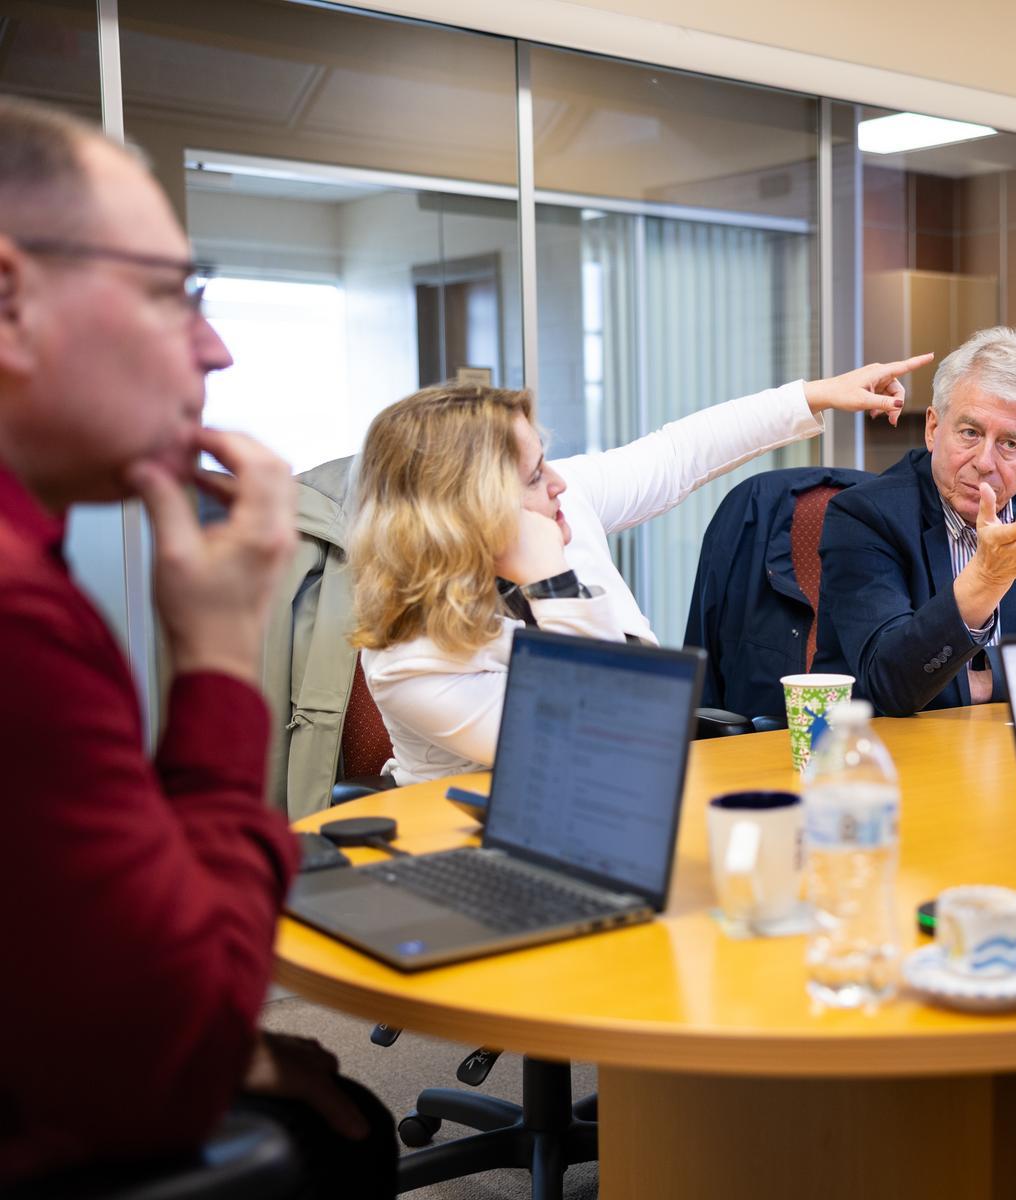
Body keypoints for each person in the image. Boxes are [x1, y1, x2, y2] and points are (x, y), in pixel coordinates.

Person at [0, 99, 394, 1193]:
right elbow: (170, 1049)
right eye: (171, 293)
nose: (215, 346)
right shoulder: (18, 614)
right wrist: (217, 655)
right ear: (10, 299)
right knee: (342, 1136)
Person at [350, 356, 931, 784]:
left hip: (625, 803)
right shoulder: (409, 656)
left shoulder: (560, 505)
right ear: (469, 511)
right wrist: (553, 581)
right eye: (533, 476)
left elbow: (676, 455)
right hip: (471, 844)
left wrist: (814, 395)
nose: (559, 483)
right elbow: (593, 727)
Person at [813, 326, 1016, 716]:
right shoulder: (865, 516)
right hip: (892, 746)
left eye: (1009, 443)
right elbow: (890, 684)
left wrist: (987, 678)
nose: (984, 462)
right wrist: (985, 580)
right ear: (933, 428)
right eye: (969, 433)